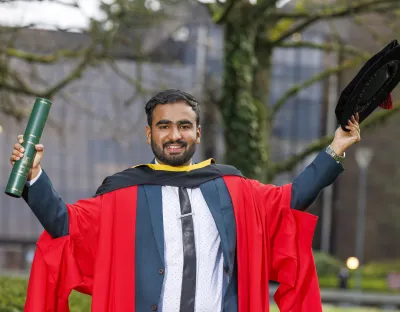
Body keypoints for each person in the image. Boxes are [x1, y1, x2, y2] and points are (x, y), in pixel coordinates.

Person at [10, 89, 361, 312]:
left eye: (183, 126)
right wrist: (33, 175)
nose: (174, 135)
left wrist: (335, 150)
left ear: (198, 132)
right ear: (150, 133)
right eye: (164, 126)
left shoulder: (233, 188)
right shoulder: (123, 194)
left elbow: (291, 199)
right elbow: (62, 224)